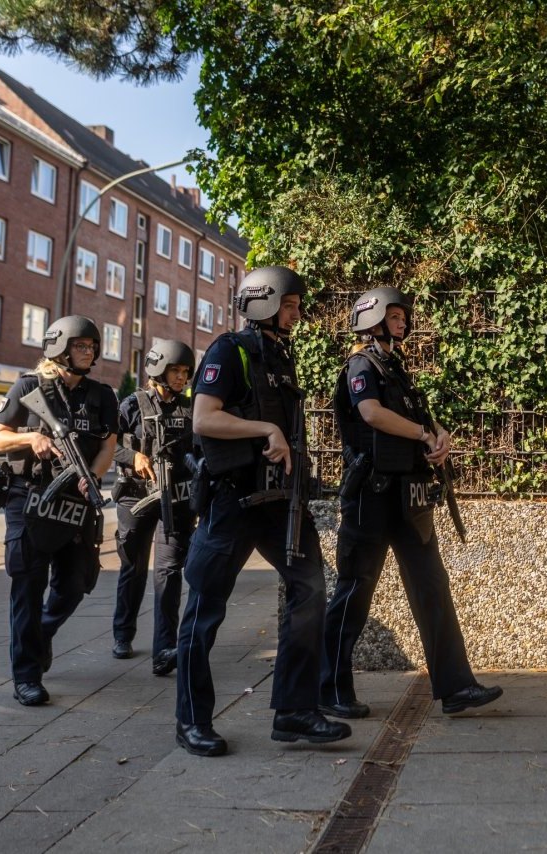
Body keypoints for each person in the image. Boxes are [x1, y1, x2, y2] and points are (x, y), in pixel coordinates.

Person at [174, 266, 350, 756]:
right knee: (204, 610)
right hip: (233, 500)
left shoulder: (279, 356)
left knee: (310, 589)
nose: (297, 314)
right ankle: (191, 721)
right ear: (264, 303)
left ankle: (295, 711)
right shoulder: (229, 351)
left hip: (279, 502)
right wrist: (265, 431)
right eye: (290, 306)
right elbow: (205, 417)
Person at [320, 287, 502, 720]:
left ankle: (456, 687)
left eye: (403, 315)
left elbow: (419, 415)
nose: (403, 321)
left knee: (432, 586)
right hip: (371, 497)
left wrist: (440, 436)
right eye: (395, 314)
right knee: (354, 592)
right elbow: (371, 414)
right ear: (374, 318)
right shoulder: (360, 364)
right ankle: (329, 688)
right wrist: (422, 436)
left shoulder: (395, 367)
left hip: (410, 497)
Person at [0, 316, 117, 706]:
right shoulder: (29, 387)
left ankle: (41, 634)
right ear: (60, 347)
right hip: (28, 497)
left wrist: (91, 477)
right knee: (27, 586)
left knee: (75, 584)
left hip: (75, 501)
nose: (89, 352)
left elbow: (109, 446)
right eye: (81, 346)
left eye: (93, 347)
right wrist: (32, 437)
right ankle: (26, 675)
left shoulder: (102, 395)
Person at [110, 339, 196, 675]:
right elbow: (107, 445)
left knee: (169, 572)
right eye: (175, 370)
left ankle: (165, 648)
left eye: (185, 371)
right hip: (136, 496)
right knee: (133, 567)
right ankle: (122, 633)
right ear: (158, 369)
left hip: (176, 500)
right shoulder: (131, 405)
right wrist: (133, 457)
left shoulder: (189, 409)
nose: (181, 377)